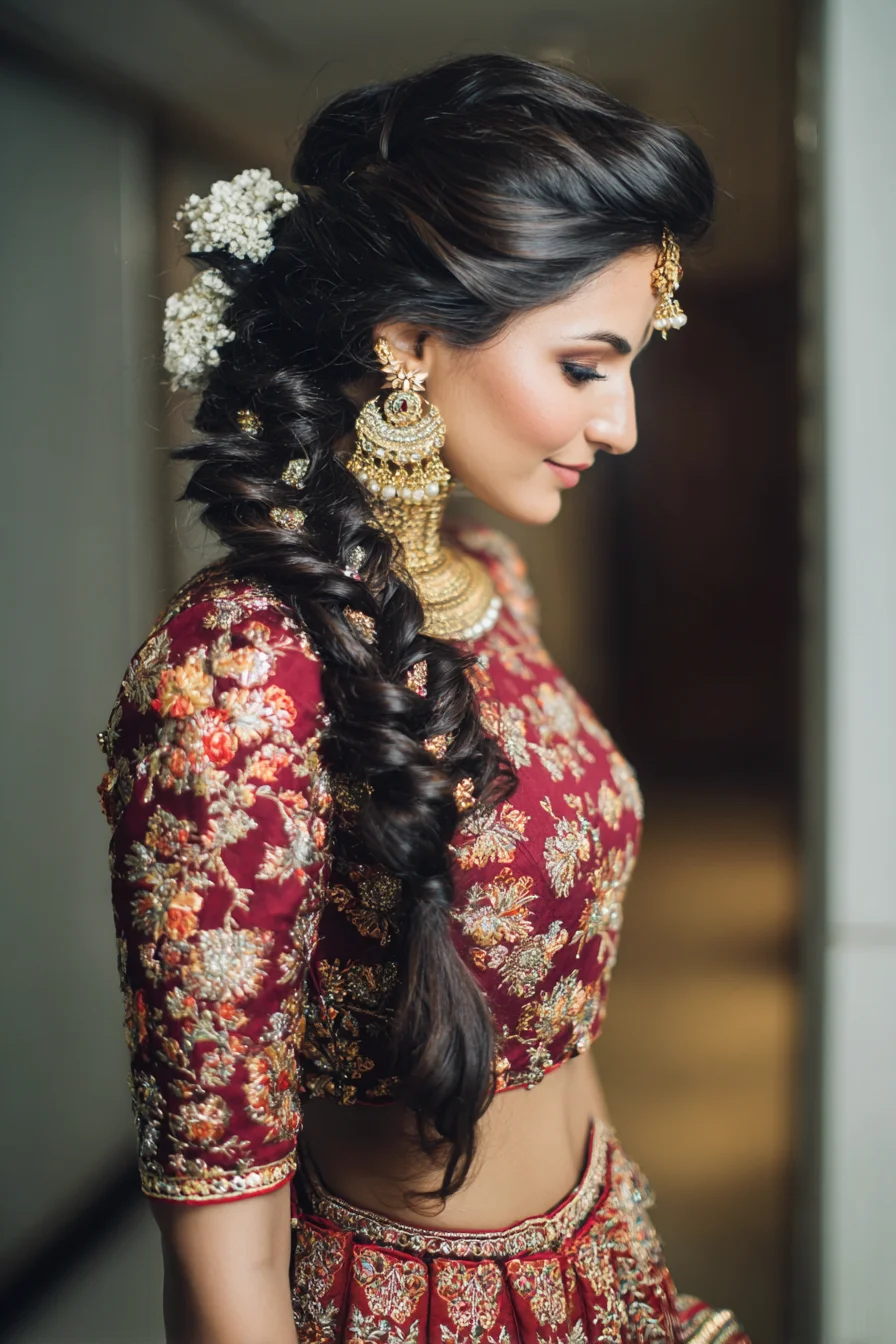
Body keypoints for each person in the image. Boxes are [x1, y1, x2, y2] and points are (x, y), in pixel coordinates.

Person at [97, 53, 750, 1344]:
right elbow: (225, 1255)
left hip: (603, 1266)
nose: (622, 424)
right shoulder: (235, 675)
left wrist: (639, 1286)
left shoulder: (492, 581)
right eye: (584, 366)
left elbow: (552, 1019)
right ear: (407, 342)